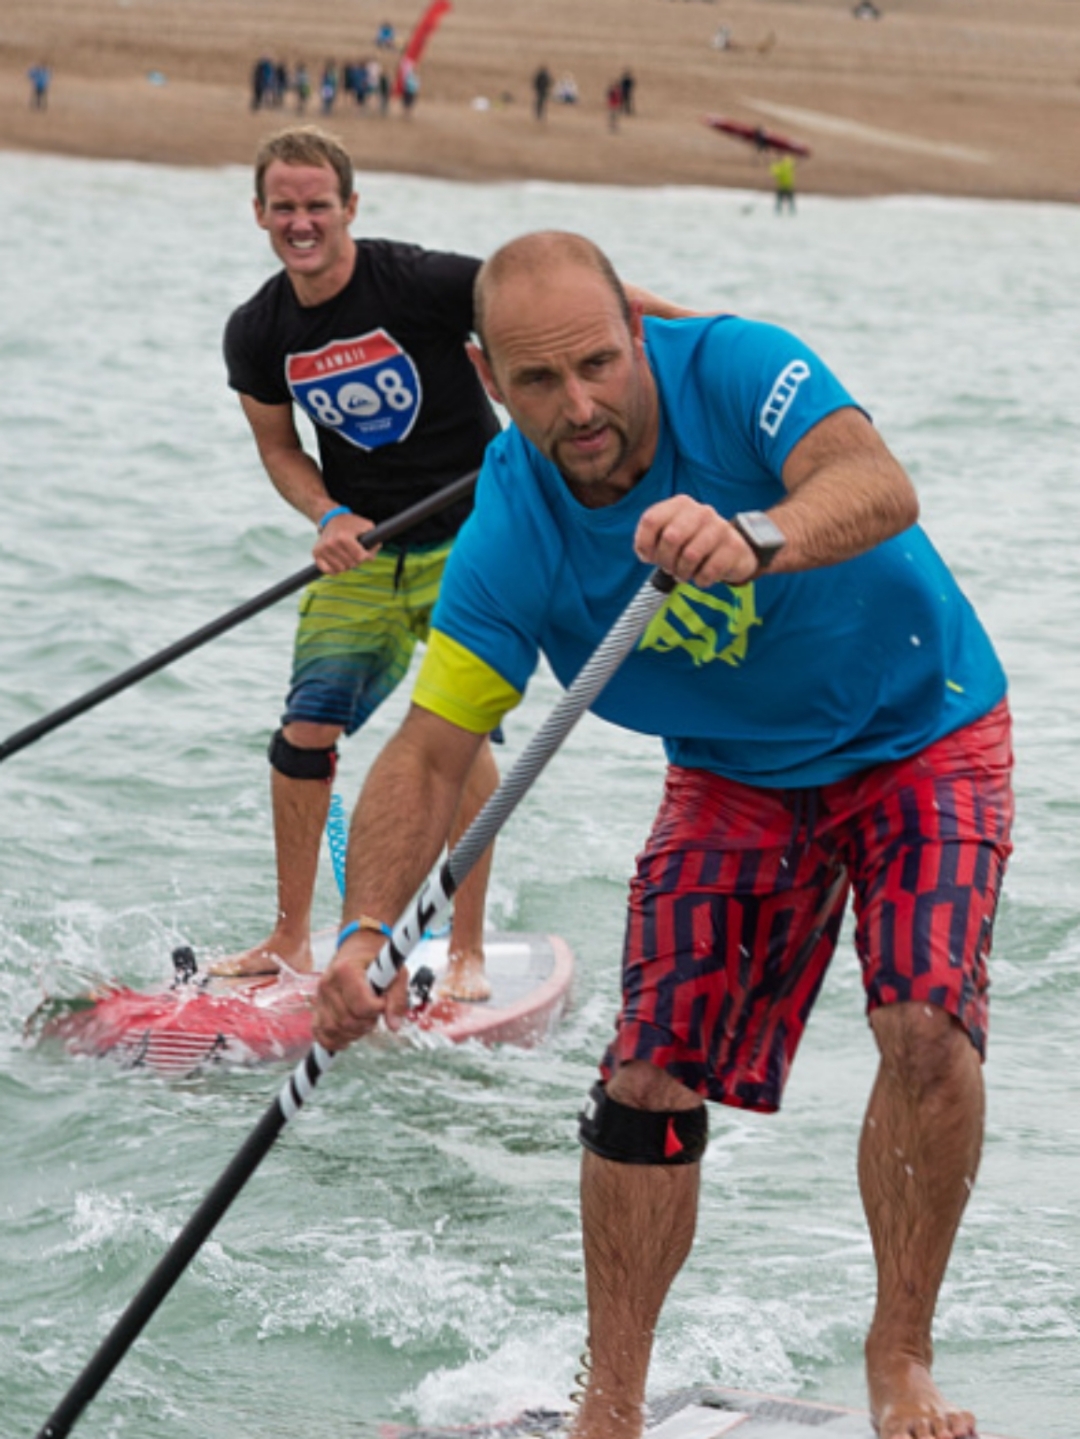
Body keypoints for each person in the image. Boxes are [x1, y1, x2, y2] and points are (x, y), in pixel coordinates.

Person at [313, 231, 1013, 1439]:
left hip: (920, 728)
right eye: (539, 381)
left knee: (921, 1021)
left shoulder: (739, 368)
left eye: (598, 362)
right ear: (489, 378)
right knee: (644, 1076)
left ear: (638, 334)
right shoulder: (510, 534)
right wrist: (364, 930)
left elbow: (878, 481)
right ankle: (614, 1402)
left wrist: (760, 535)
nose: (579, 406)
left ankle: (899, 1356)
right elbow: (429, 753)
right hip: (736, 771)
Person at [216, 125, 502, 1000]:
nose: (302, 222)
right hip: (368, 547)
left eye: (318, 205)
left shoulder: (419, 281)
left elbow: (548, 295)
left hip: (474, 534)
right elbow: (280, 448)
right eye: (285, 207)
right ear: (260, 212)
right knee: (304, 734)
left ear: (350, 208)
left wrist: (688, 335)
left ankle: (466, 950)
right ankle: (290, 936)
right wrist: (329, 512)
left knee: (457, 732)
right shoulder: (258, 330)